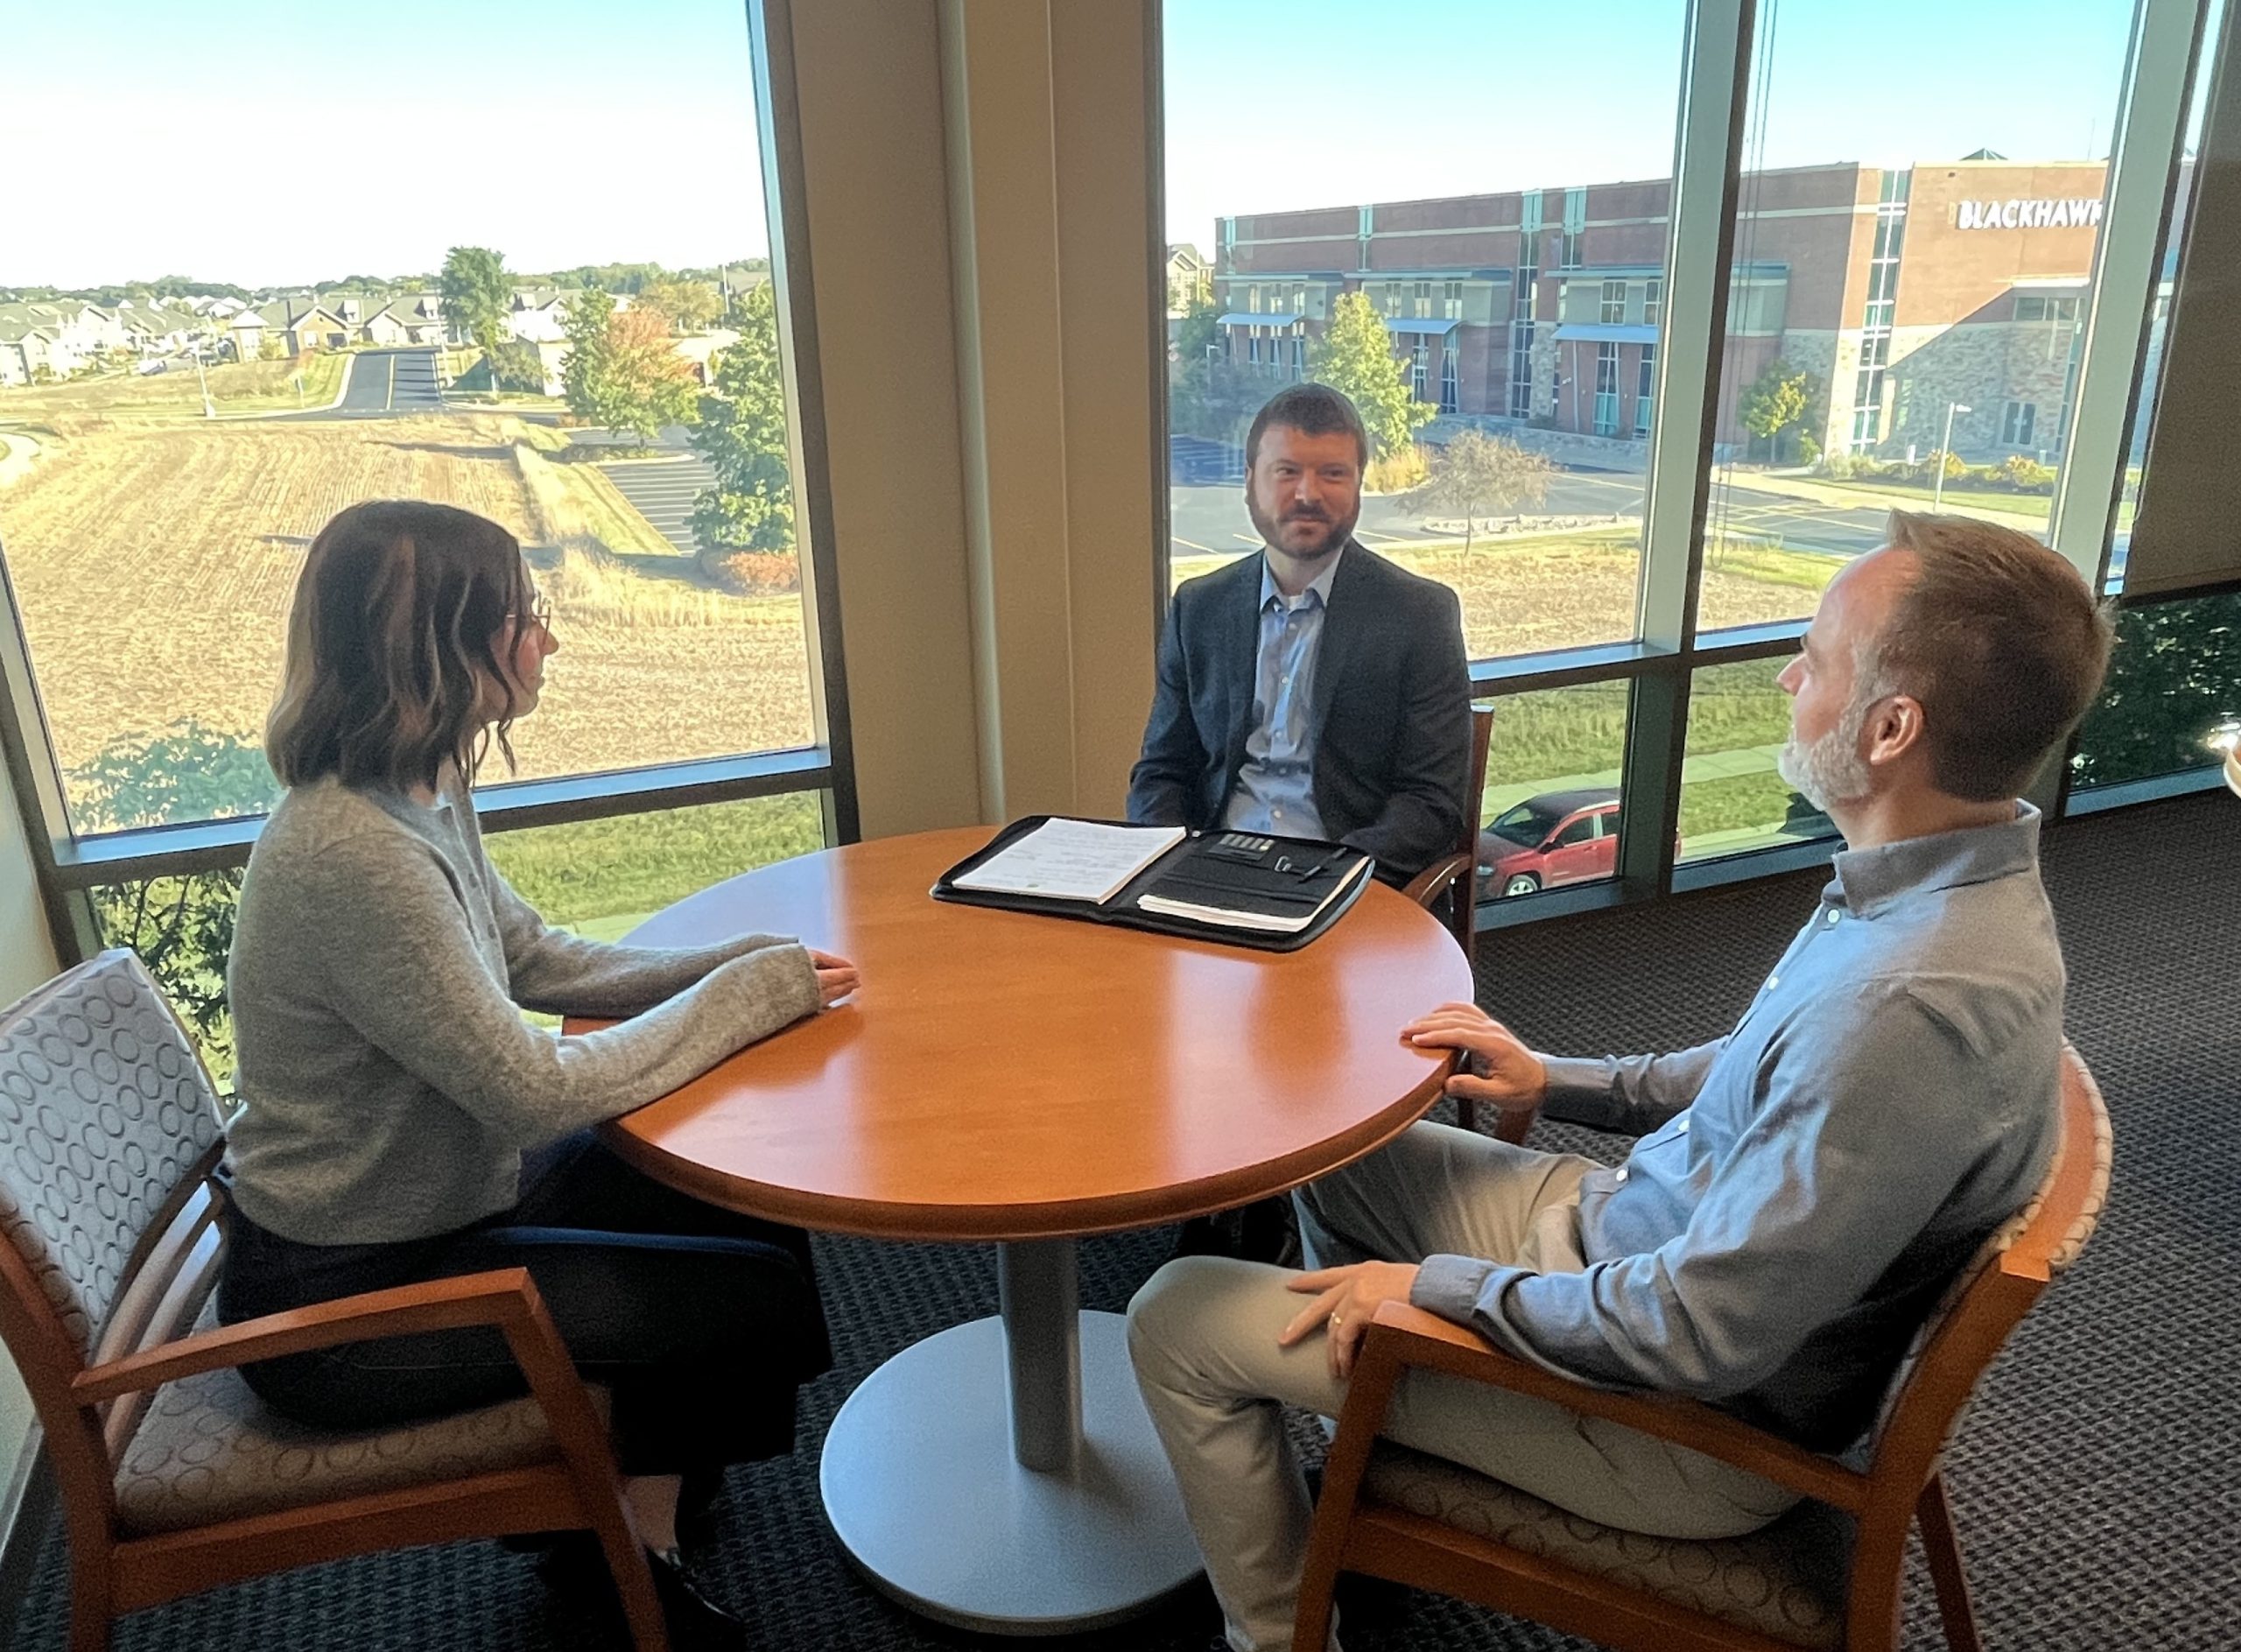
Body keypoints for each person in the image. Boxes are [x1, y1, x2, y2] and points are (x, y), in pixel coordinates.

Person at [1127, 510, 2114, 1652]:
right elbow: (1758, 1068)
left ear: (1891, 728)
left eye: (1814, 657)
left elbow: (1697, 1333)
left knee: (1175, 1315)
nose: (1788, 676)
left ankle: (1278, 1631)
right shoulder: (1938, 892)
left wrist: (1434, 1293)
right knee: (1333, 1142)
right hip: (1631, 1238)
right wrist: (1556, 1079)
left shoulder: (1907, 1004)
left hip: (1667, 1426)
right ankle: (1361, 1418)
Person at [218, 499, 854, 1648]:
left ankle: (623, 1517)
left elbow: (531, 953)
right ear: (433, 644)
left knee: (738, 1201)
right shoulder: (351, 853)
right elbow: (532, 1091)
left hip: (449, 1202)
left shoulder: (418, 783)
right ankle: (622, 1565)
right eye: (520, 617)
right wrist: (739, 1001)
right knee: (744, 1299)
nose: (545, 639)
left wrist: (733, 965)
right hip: (341, 1301)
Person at [1128, 383, 1473, 887]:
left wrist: (1324, 880)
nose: (1308, 494)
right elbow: (1161, 772)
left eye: (1333, 473)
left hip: (1350, 882)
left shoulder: (1420, 615)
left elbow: (1431, 803)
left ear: (1358, 484)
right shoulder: (1198, 608)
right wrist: (1175, 863)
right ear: (1250, 482)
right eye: (1286, 471)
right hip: (1212, 873)